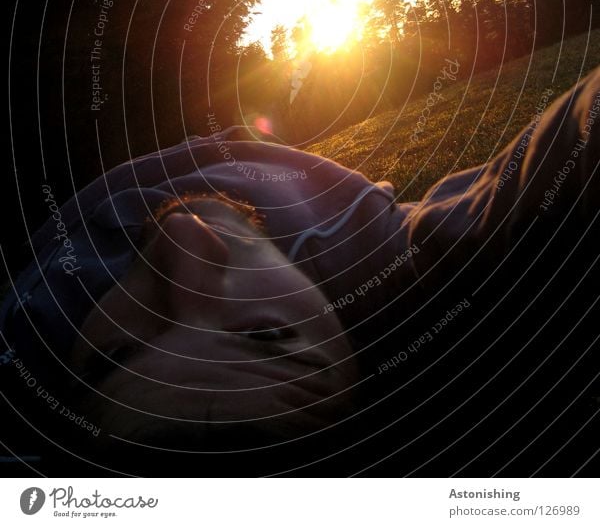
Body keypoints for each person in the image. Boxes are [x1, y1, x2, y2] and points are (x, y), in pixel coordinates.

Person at [1, 67, 599, 477]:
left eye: (119, 354)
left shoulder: (28, 349)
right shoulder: (388, 274)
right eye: (267, 333)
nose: (187, 241)